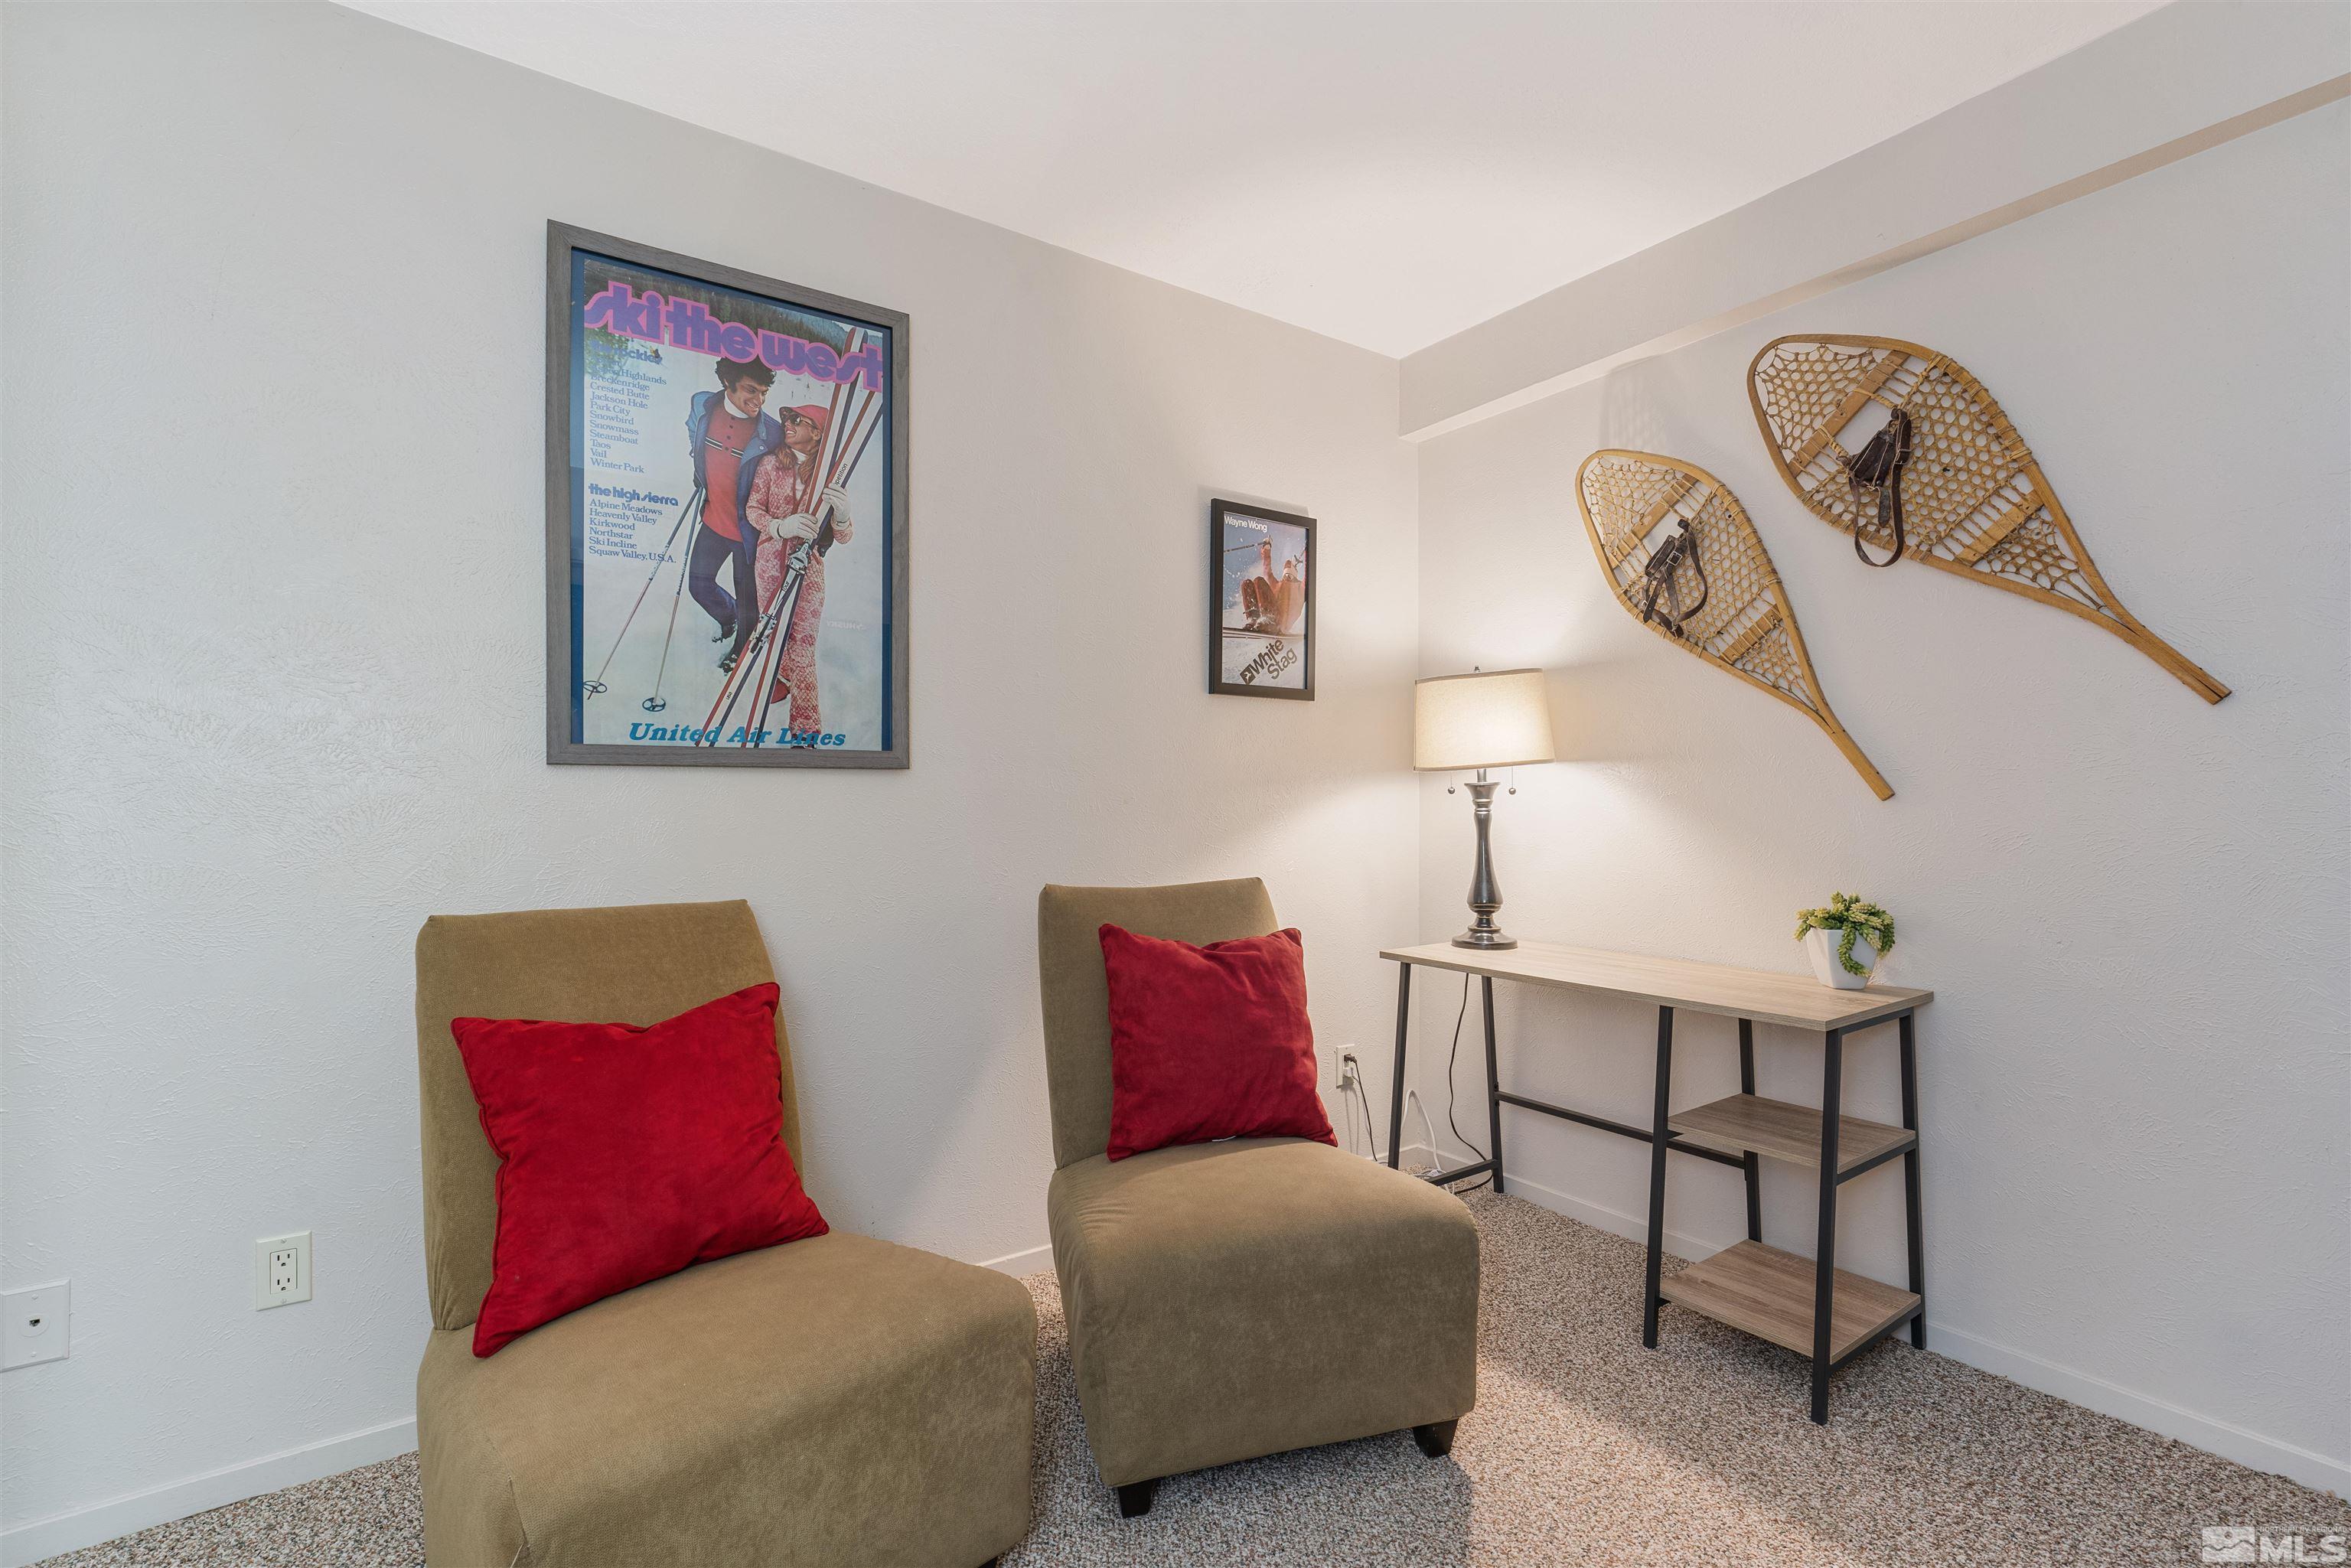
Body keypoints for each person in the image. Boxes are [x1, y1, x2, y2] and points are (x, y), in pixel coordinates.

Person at [743, 403, 855, 739]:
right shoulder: (771, 464)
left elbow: (845, 536)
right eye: (786, 419)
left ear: (818, 432)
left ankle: (805, 731)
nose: (787, 425)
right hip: (769, 564)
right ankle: (783, 673)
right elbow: (752, 510)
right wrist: (779, 527)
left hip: (810, 566)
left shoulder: (829, 475)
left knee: (804, 642)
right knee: (777, 633)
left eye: (797, 420)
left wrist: (843, 514)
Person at [683, 358, 784, 673]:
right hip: (714, 521)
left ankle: (742, 647)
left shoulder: (773, 434)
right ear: (728, 384)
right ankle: (728, 619)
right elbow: (694, 436)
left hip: (750, 533)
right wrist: (701, 472)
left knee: (748, 601)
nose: (759, 401)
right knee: (699, 585)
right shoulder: (702, 407)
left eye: (764, 393)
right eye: (750, 390)